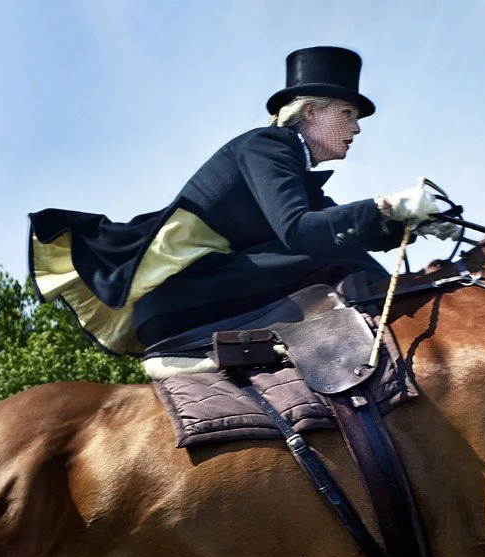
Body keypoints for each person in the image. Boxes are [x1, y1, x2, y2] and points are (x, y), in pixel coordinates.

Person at [27, 45, 456, 355]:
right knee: (336, 256)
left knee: (341, 249)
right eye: (347, 114)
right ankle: (405, 336)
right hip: (184, 296)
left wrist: (414, 223)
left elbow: (343, 228)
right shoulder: (268, 145)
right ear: (310, 112)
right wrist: (388, 205)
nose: (357, 129)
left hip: (202, 291)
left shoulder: (293, 166)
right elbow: (302, 233)